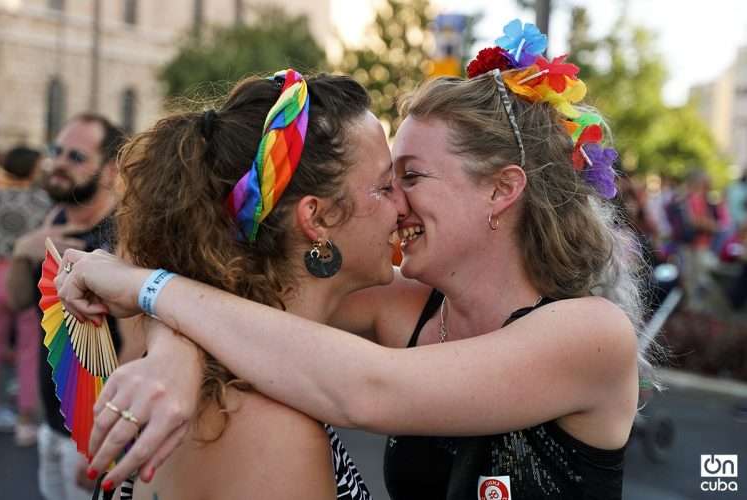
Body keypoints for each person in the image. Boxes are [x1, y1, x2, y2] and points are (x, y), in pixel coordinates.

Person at [59, 21, 651, 500]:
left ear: (501, 190)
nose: (399, 201)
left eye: (411, 175)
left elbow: (365, 387)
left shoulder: (591, 334)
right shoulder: (405, 309)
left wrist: (147, 292)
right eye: (387, 181)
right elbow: (237, 291)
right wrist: (175, 352)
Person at [90, 70, 404, 499]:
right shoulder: (267, 431)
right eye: (386, 187)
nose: (403, 206)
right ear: (317, 218)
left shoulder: (222, 379)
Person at [6, 113, 126, 499]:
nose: (59, 163)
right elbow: (20, 300)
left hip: (93, 440)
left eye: (77, 157)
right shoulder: (55, 218)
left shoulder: (123, 235)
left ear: (109, 170)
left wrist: (103, 446)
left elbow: (137, 346)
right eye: (56, 151)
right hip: (50, 423)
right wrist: (26, 251)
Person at [0, 146, 52, 445]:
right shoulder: (42, 201)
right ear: (33, 170)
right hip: (27, 276)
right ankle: (25, 420)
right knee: (30, 349)